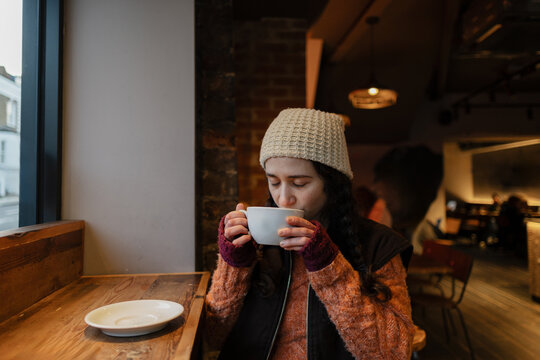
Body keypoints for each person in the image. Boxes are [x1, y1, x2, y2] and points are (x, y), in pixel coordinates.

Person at [204, 108, 415, 360]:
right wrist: (234, 265)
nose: (283, 198)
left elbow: (393, 353)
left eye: (299, 183)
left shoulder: (379, 246)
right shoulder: (258, 242)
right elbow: (212, 335)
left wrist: (329, 267)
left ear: (333, 183)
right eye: (273, 181)